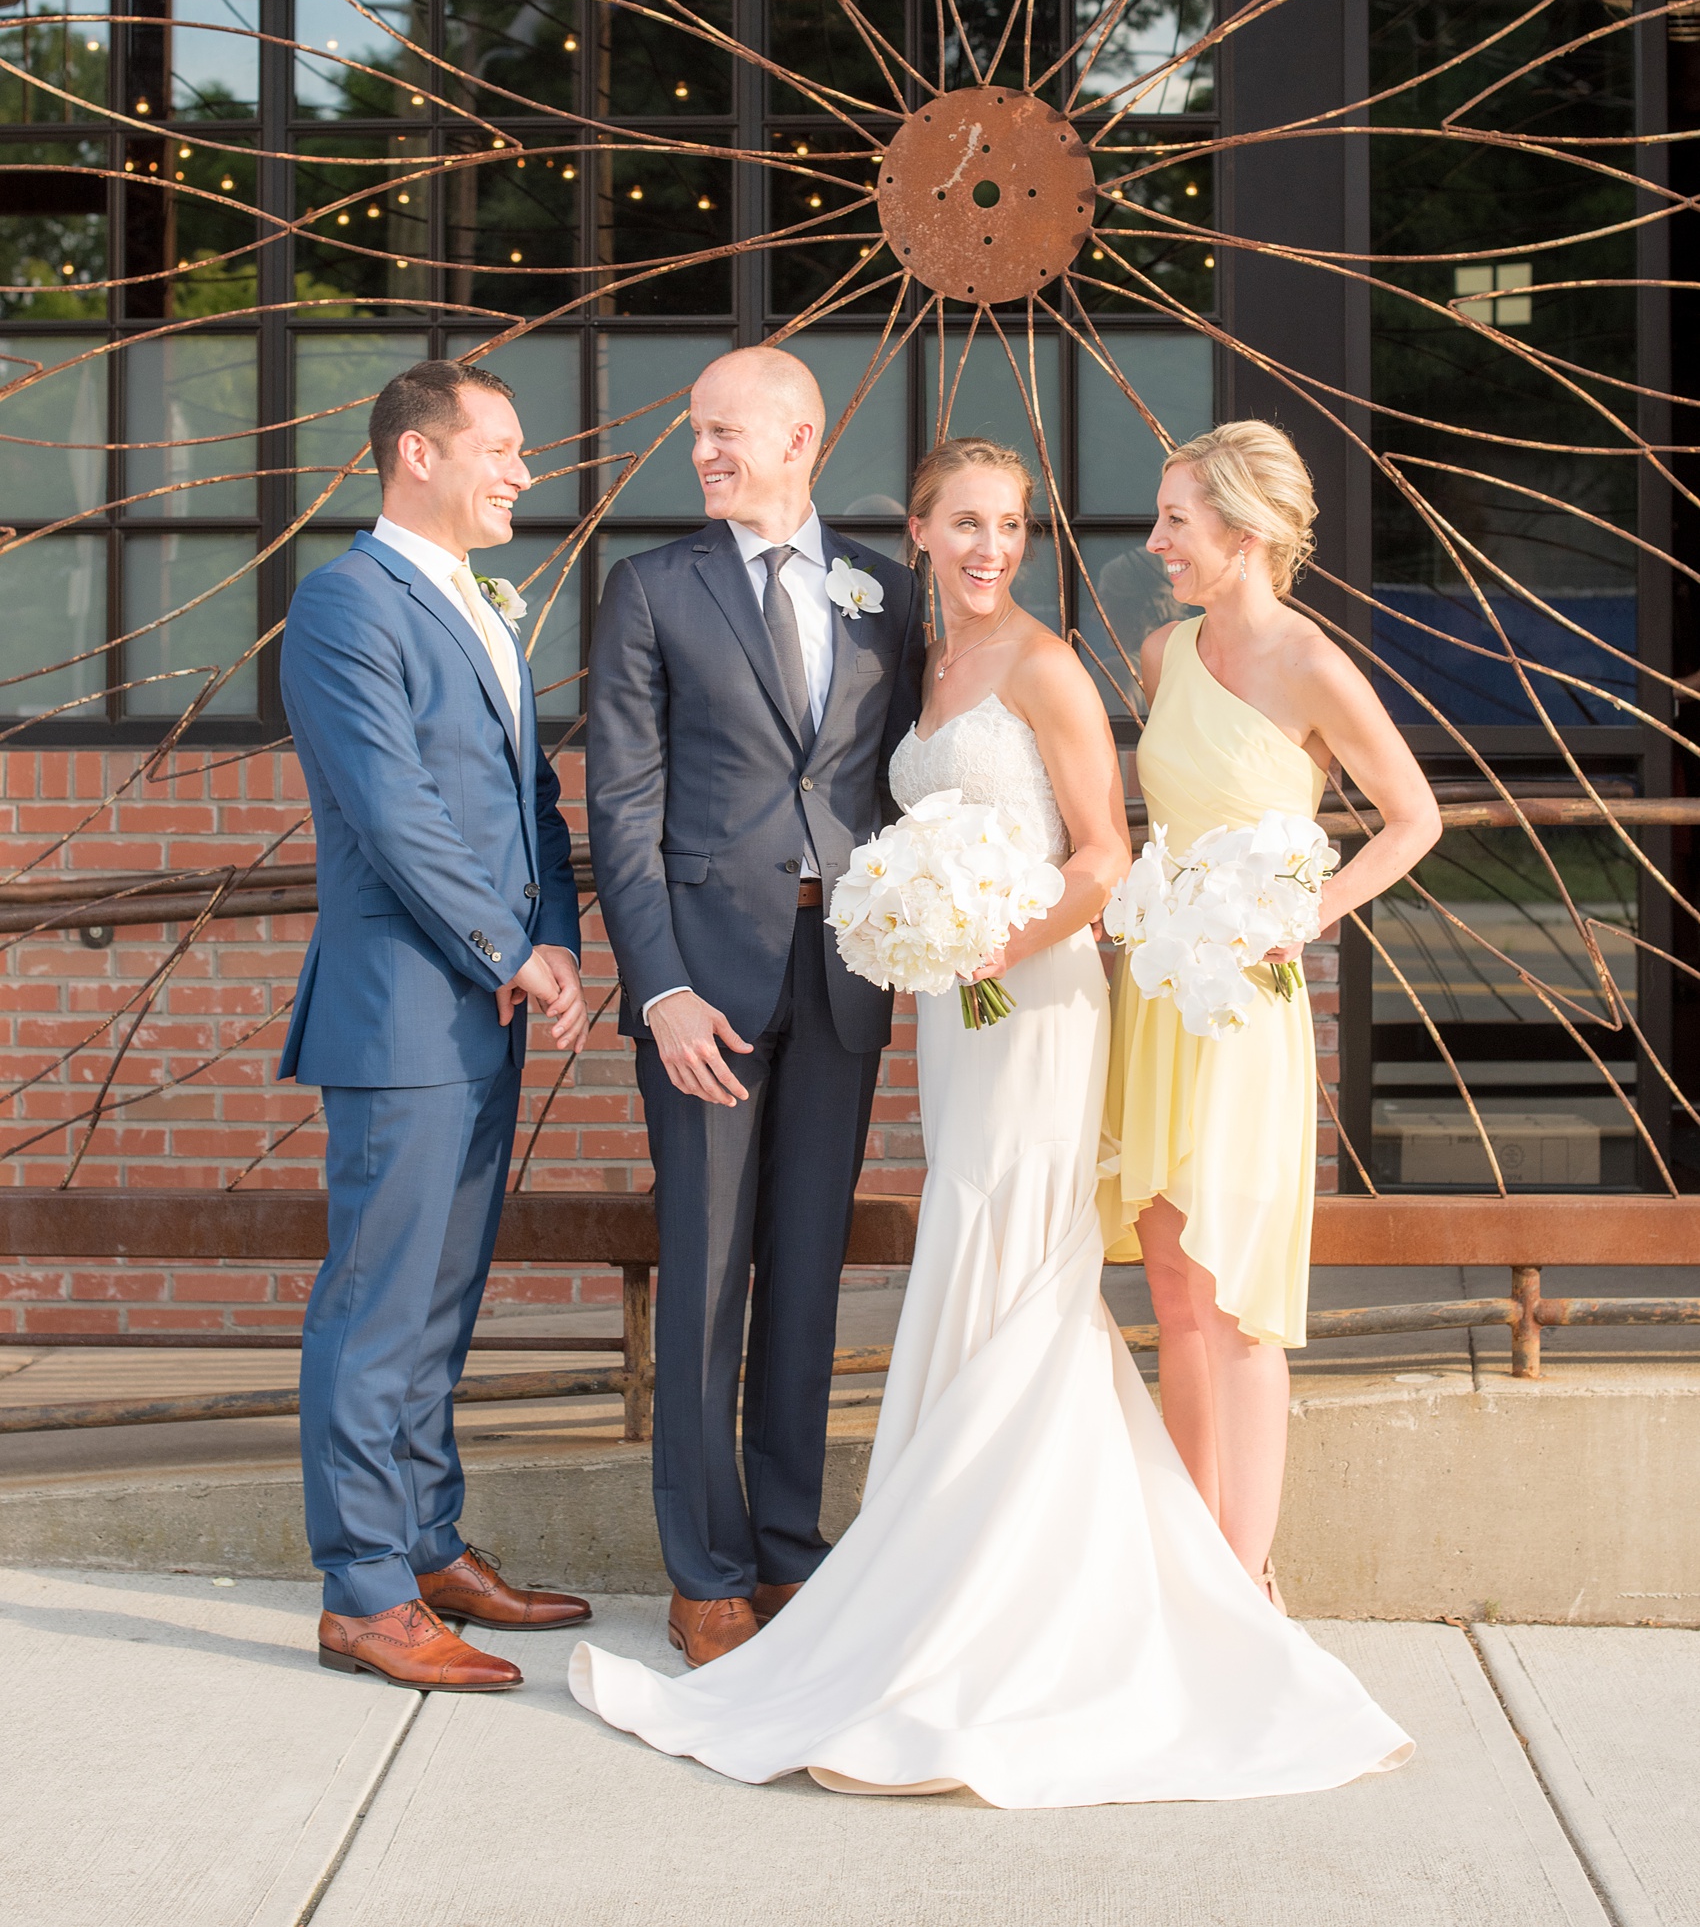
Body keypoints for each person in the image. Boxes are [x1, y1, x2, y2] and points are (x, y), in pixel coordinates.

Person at [568, 436, 1413, 1804]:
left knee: (1035, 1259)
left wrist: (990, 935)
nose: (990, 547)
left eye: (1011, 524)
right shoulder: (927, 655)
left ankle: (1051, 1587)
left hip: (1040, 999)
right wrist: (922, 923)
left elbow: (1103, 852)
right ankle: (960, 1556)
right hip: (959, 1019)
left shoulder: (1047, 662)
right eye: (965, 522)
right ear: (916, 531)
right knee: (971, 1240)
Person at [585, 345, 926, 1667]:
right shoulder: (650, 589)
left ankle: (792, 1551)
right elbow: (621, 806)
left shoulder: (886, 595)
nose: (703, 453)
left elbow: (884, 784)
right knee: (710, 1268)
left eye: (726, 432)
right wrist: (658, 985)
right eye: (695, 434)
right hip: (702, 987)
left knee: (803, 1274)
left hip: (839, 970)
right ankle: (707, 1567)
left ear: (801, 438)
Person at [279, 357, 593, 1693]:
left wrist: (561, 942)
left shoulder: (481, 608)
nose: (525, 471)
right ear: (418, 453)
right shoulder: (346, 605)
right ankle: (362, 1588)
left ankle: (427, 1540)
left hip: (490, 1006)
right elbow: (395, 811)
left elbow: (529, 798)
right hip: (404, 1009)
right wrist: (508, 947)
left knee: (444, 1297)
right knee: (379, 1299)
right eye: (503, 447)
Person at [1101, 419, 1443, 1607]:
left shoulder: (1310, 663)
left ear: (1242, 534)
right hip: (1156, 998)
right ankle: (1192, 1559)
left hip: (1246, 1007)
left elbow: (1410, 818)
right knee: (1170, 1288)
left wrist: (1302, 913)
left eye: (1174, 522)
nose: (1155, 543)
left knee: (1235, 1293)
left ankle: (1244, 1576)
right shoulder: (1160, 654)